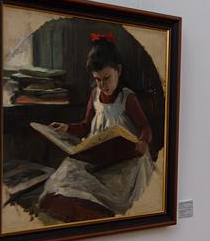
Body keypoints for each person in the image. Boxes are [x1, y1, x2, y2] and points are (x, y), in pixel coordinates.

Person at [39, 32, 155, 222]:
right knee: (66, 175)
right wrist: (66, 128)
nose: (102, 85)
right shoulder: (94, 95)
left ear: (119, 70)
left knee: (112, 192)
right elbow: (86, 126)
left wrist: (143, 141)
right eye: (97, 79)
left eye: (107, 78)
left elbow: (145, 127)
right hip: (97, 158)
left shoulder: (127, 98)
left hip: (125, 161)